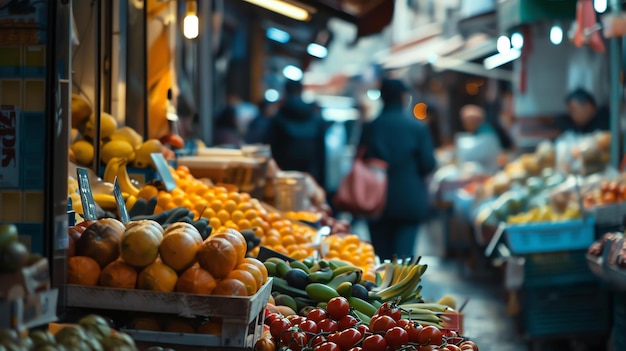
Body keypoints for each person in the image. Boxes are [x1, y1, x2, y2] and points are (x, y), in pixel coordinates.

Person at [359, 78, 437, 260]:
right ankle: (401, 289)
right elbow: (428, 164)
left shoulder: (371, 127)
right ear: (403, 97)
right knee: (403, 260)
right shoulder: (417, 128)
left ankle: (382, 289)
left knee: (381, 260)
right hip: (408, 199)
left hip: (376, 200)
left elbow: (361, 160)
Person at [264, 80, 329, 188]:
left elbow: (269, 149)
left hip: (282, 178)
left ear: (285, 92)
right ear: (301, 91)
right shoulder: (315, 118)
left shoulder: (278, 117)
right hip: (310, 178)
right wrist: (322, 185)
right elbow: (321, 154)